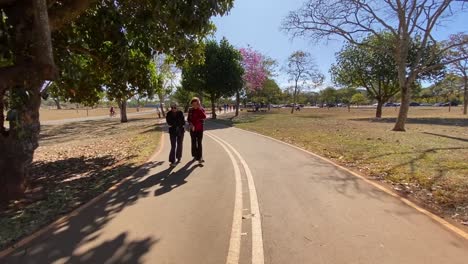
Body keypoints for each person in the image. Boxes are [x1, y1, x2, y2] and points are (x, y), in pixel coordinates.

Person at [187, 97, 206, 164]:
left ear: (198, 104)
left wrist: (199, 108)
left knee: (199, 143)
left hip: (200, 129)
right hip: (193, 130)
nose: (195, 105)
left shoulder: (201, 109)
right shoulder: (190, 110)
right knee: (194, 143)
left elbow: (204, 117)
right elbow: (188, 119)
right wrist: (191, 125)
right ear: (191, 104)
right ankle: (195, 156)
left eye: (196, 104)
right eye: (193, 104)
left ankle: (200, 158)